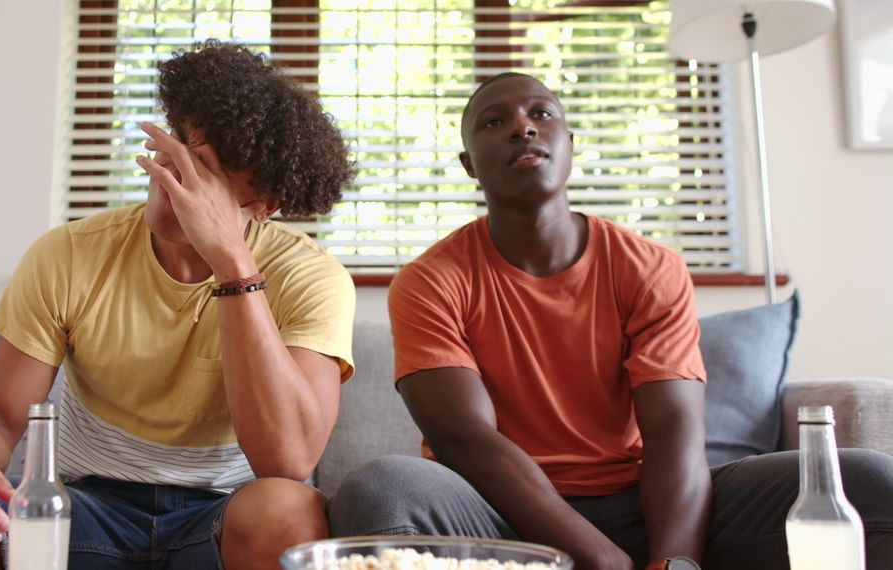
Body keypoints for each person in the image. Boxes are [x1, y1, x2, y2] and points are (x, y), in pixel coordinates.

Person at [326, 72, 893, 570]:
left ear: (570, 144)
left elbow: (674, 430)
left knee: (867, 480)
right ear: (469, 165)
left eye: (541, 113)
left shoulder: (650, 267)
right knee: (378, 491)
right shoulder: (430, 280)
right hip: (498, 513)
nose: (523, 127)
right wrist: (598, 557)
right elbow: (463, 439)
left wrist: (674, 561)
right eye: (494, 121)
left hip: (643, 503)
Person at [0, 41, 356, 570]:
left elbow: (286, 460)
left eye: (201, 168)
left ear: (265, 204)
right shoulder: (70, 254)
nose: (169, 173)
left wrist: (234, 268)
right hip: (83, 506)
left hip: (226, 515)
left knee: (291, 515)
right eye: (174, 144)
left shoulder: (310, 276)